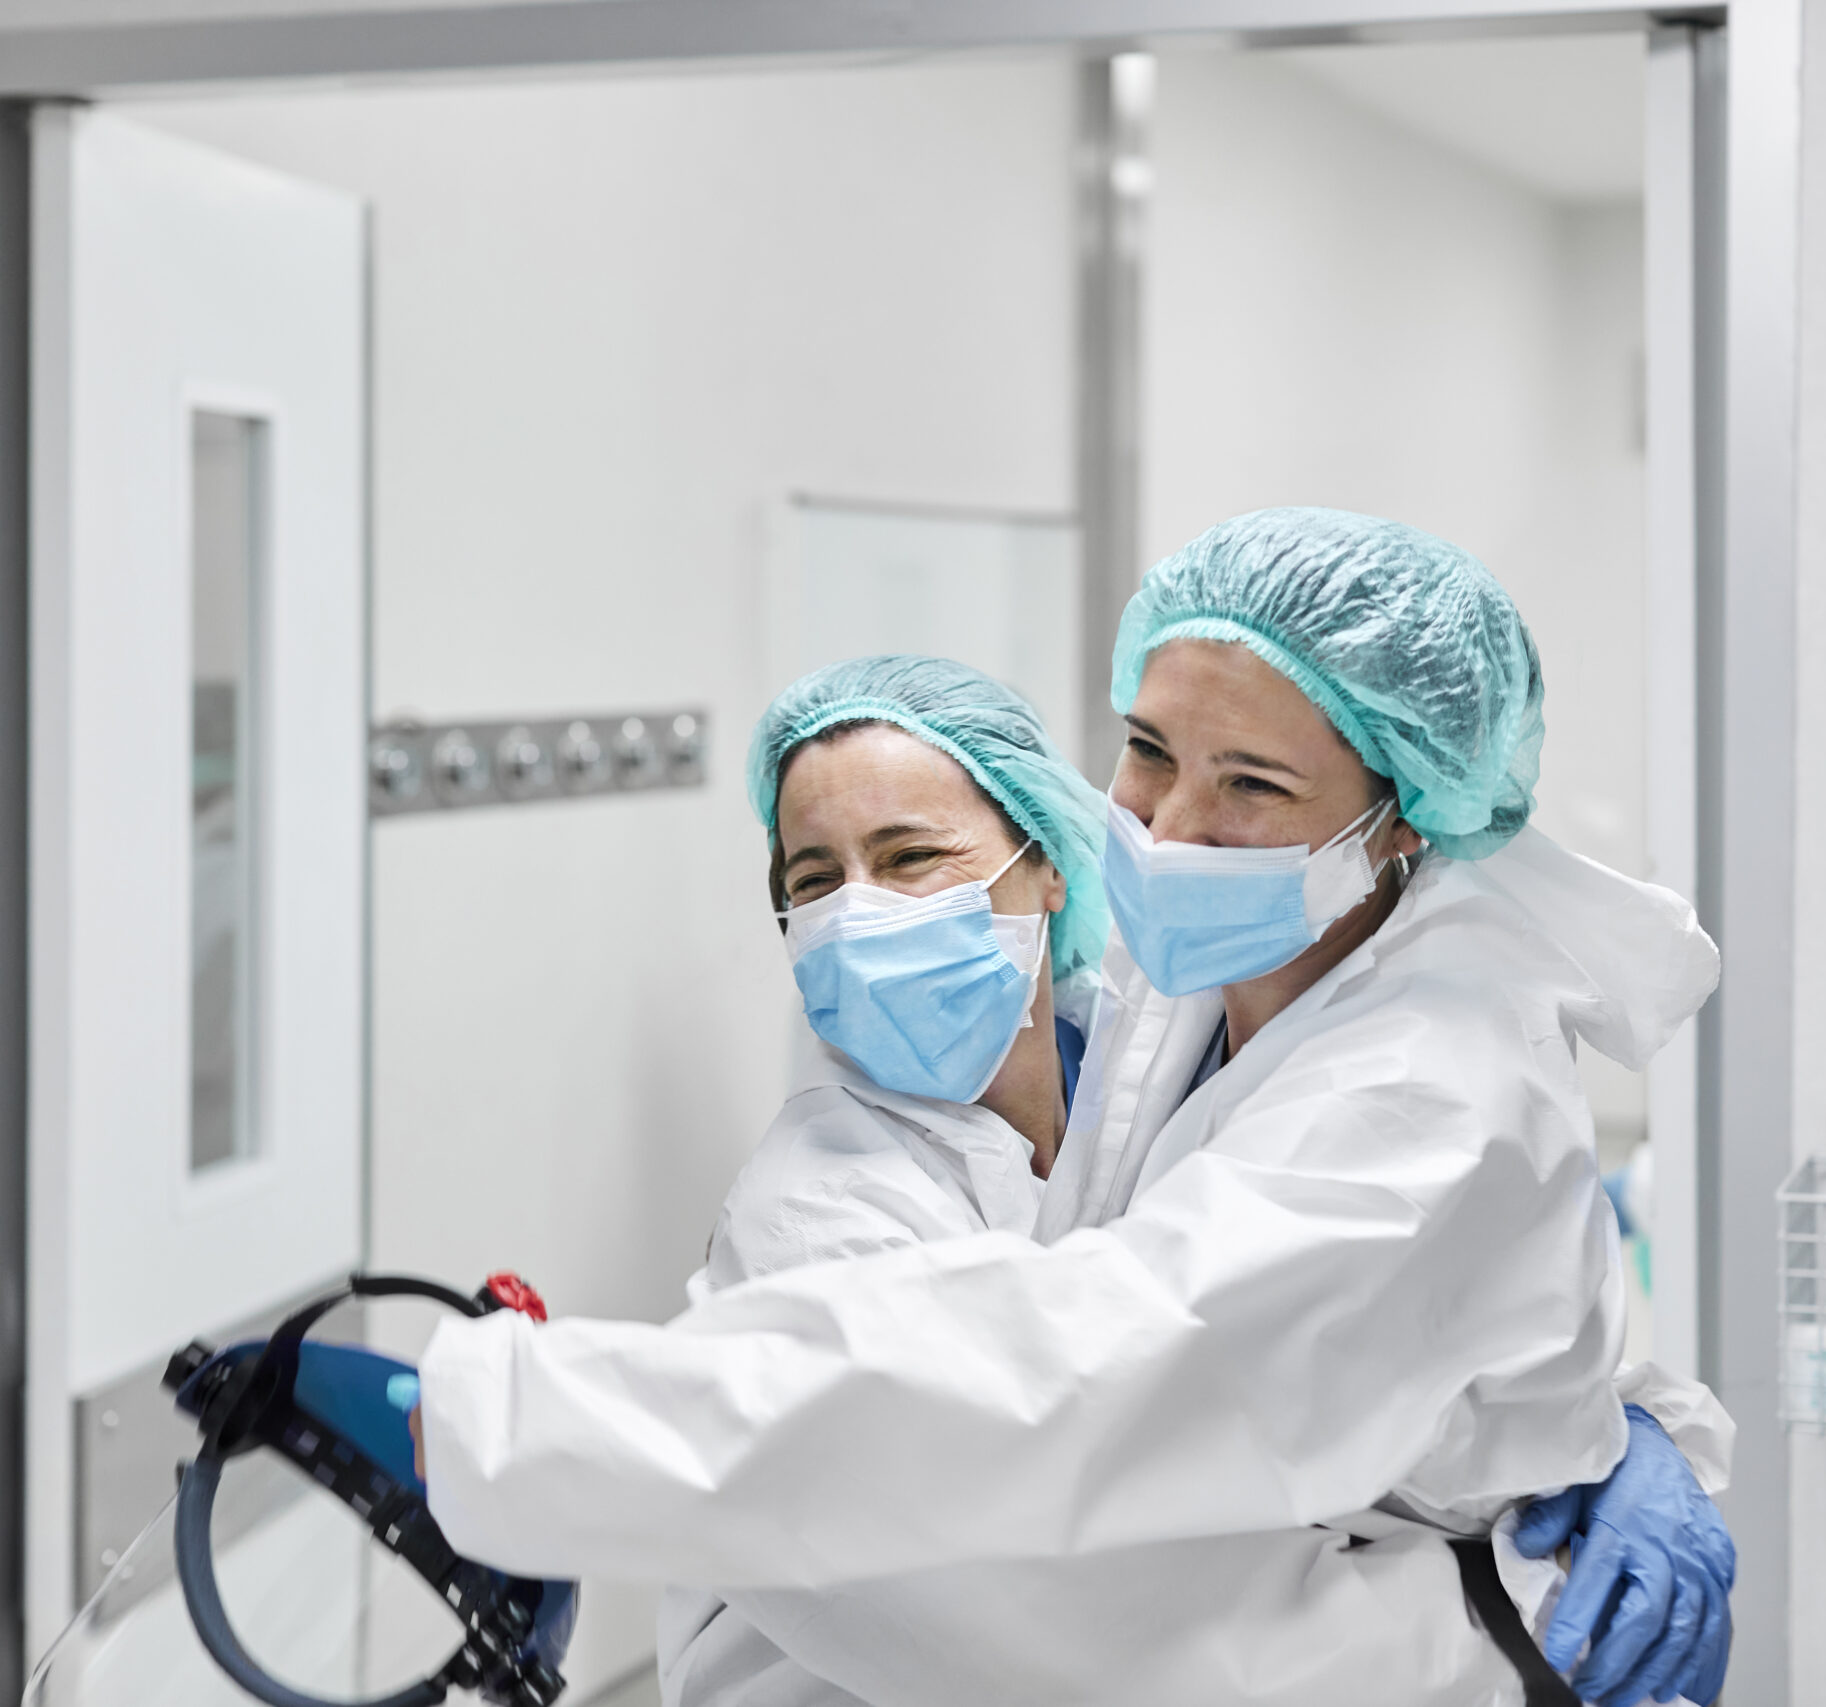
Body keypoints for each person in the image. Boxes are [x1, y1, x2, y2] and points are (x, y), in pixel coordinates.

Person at [417, 512, 1735, 1704]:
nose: (1171, 825)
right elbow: (1401, 1316)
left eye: (1253, 785)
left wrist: (514, 1422)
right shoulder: (1192, 998)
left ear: (1403, 818)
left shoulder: (1429, 1083)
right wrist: (1609, 1425)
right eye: (1149, 752)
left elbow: (1105, 1363)